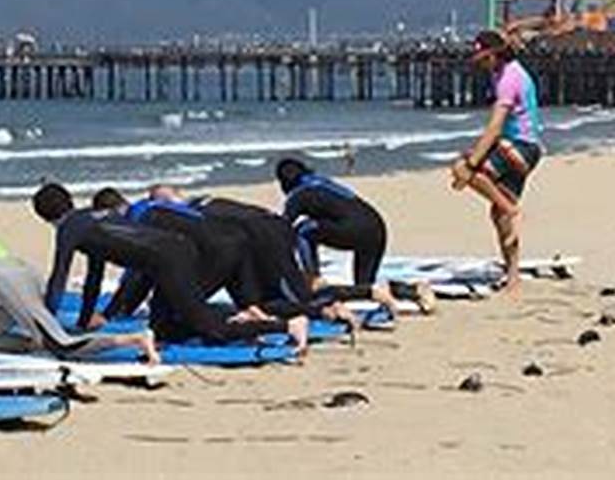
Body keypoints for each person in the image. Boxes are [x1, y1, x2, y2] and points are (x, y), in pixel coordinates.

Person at [32, 183, 309, 352]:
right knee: (164, 329)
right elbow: (94, 275)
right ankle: (242, 318)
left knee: (208, 327)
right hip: (176, 251)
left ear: (45, 217)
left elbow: (59, 279)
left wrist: (47, 330)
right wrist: (83, 323)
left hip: (170, 259)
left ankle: (288, 325)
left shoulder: (69, 229)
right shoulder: (92, 218)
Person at [0, 198, 159, 363]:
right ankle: (36, 342)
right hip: (26, 276)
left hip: (12, 287)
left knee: (62, 346)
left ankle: (136, 339)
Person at [449, 30, 544, 296]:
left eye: (483, 58)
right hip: (523, 147)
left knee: (462, 168)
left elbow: (495, 126)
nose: (479, 64)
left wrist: (471, 163)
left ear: (494, 55)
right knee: (497, 214)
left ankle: (513, 211)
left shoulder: (508, 79)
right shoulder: (506, 71)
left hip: (521, 148)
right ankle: (513, 276)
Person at [276, 158, 435, 314]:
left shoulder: (298, 195)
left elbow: (281, 229)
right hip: (376, 227)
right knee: (365, 287)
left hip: (355, 229)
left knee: (303, 230)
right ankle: (413, 290)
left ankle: (314, 278)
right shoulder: (322, 182)